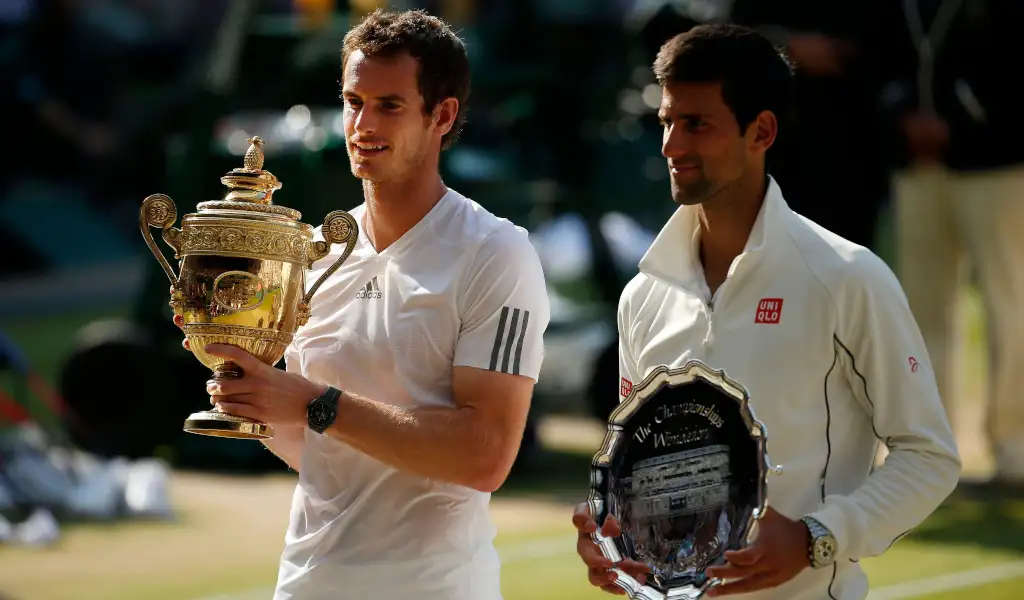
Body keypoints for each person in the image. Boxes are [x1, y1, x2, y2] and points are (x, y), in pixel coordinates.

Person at [572, 24, 959, 599]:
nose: (672, 146)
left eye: (696, 124)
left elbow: (929, 457)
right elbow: (647, 470)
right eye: (667, 122)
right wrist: (614, 535)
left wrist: (815, 539)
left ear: (762, 131)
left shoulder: (846, 277)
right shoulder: (643, 296)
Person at [183, 9, 550, 599]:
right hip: (308, 583)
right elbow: (321, 453)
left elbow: (486, 455)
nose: (362, 124)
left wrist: (313, 402)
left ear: (443, 115)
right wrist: (248, 388)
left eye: (389, 105)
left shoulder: (496, 253)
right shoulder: (314, 255)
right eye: (354, 101)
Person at [876, 0, 1024, 487]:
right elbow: (882, 59)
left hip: (994, 162)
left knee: (1009, 300)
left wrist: (960, 125)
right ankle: (931, 448)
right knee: (920, 311)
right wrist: (901, 120)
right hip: (916, 163)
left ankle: (1013, 444)